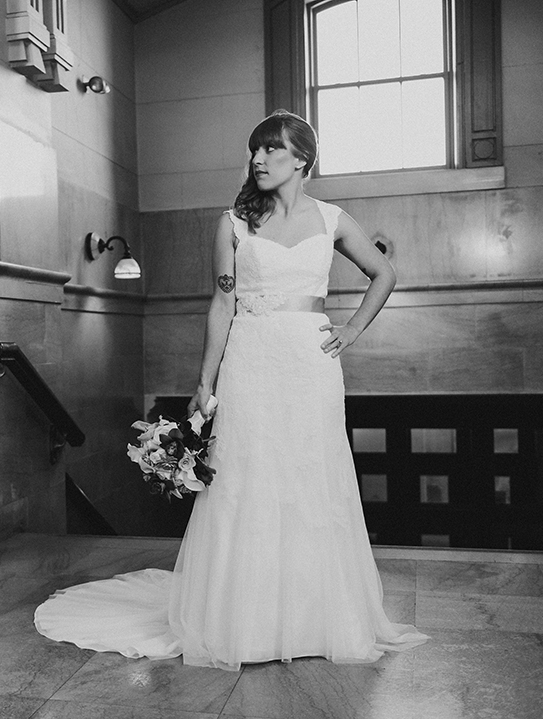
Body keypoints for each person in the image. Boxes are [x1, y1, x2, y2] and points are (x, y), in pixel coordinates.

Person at [35, 110, 428, 670]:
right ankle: (243, 620)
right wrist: (204, 380)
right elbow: (222, 303)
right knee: (244, 476)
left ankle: (317, 616)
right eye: (255, 151)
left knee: (313, 476)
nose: (258, 160)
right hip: (250, 360)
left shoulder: (333, 220)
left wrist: (352, 330)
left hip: (310, 364)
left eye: (271, 150)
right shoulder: (234, 222)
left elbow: (383, 275)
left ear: (302, 161)